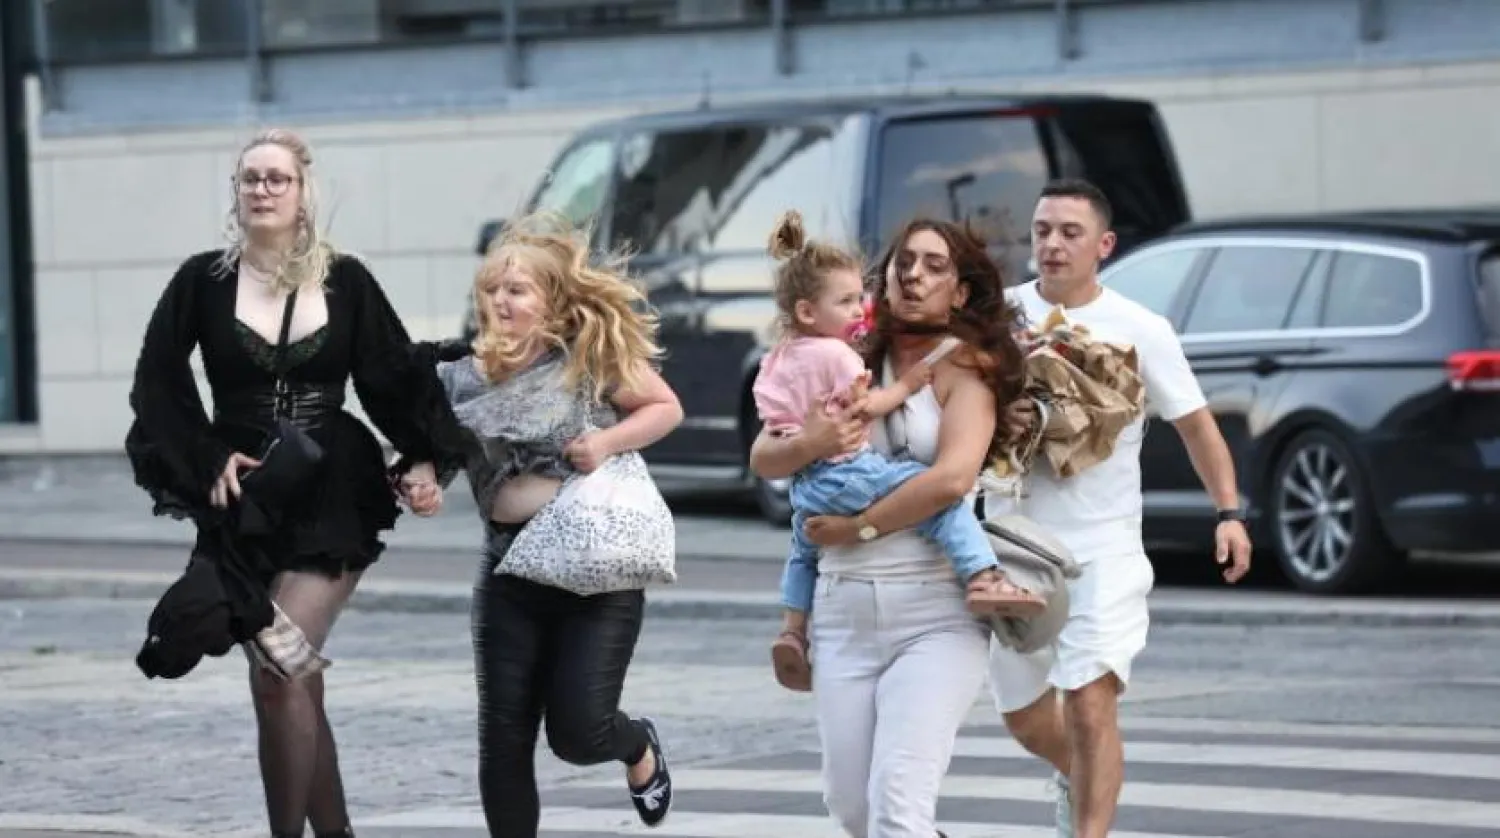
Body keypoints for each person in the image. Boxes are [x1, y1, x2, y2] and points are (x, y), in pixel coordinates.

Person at [124, 128, 464, 838]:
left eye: (277, 178)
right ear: (236, 192)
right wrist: (203, 455)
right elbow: (157, 382)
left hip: (333, 485)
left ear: (303, 191)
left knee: (279, 665)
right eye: (250, 178)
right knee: (293, 678)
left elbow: (390, 377)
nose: (262, 190)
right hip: (242, 493)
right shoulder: (201, 280)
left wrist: (425, 458)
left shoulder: (347, 280)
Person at [397, 212, 683, 838]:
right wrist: (420, 477)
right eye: (493, 289)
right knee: (502, 741)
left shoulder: (587, 358)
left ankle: (637, 748)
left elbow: (665, 408)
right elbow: (434, 447)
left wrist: (606, 442)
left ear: (551, 301)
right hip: (508, 572)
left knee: (580, 732)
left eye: (517, 289)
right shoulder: (459, 377)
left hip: (595, 572)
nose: (500, 300)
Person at [984, 179, 1254, 838]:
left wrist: (1228, 513)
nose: (1051, 243)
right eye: (1043, 229)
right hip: (1010, 541)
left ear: (1103, 245)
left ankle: (1088, 831)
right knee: (1023, 716)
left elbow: (1196, 425)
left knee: (1089, 698)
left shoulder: (1142, 329)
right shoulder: (997, 317)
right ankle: (1079, 778)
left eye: (1069, 232)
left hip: (1101, 548)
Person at [748, 218, 1030, 838]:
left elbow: (953, 481)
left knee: (898, 809)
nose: (913, 274)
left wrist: (861, 528)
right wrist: (813, 441)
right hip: (843, 612)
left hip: (934, 612)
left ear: (959, 292)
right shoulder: (842, 354)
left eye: (934, 265)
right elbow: (764, 457)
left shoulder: (963, 369)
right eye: (905, 260)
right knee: (853, 811)